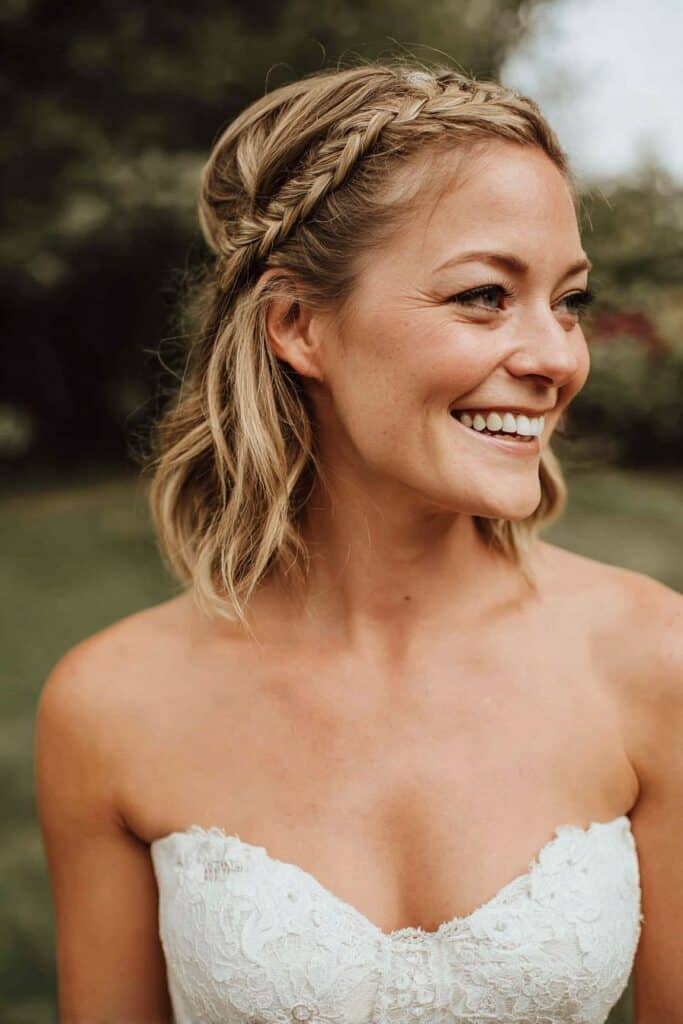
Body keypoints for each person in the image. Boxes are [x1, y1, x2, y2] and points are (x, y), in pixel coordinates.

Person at [34, 60, 682, 1024]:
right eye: (482, 296)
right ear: (298, 326)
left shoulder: (651, 660)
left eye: (568, 300)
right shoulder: (108, 707)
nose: (555, 356)